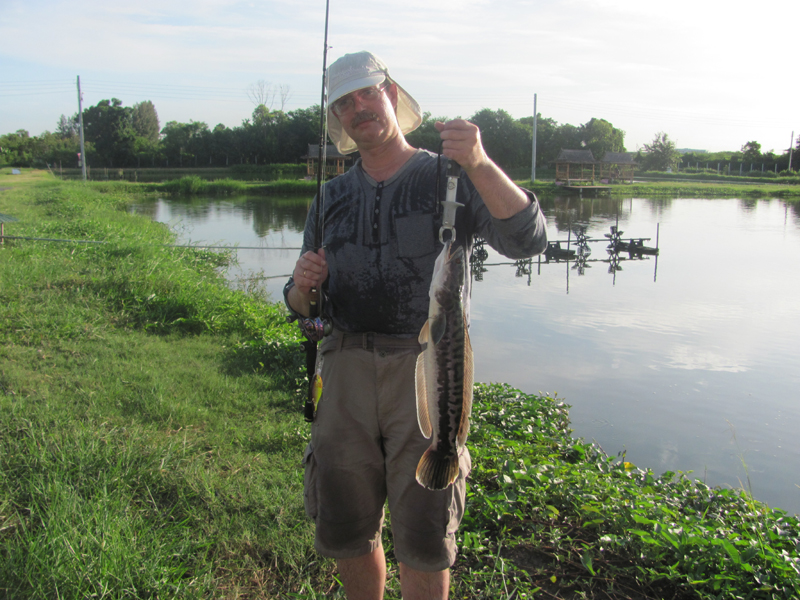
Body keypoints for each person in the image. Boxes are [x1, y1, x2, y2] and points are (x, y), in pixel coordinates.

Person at [284, 51, 547, 600]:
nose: (359, 107)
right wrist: (302, 288)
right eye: (344, 102)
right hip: (345, 371)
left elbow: (527, 240)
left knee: (425, 533)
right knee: (348, 528)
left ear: (392, 95)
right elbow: (303, 308)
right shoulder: (330, 197)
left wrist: (479, 161)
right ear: (338, 119)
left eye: (368, 92)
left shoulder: (450, 176)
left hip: (429, 372)